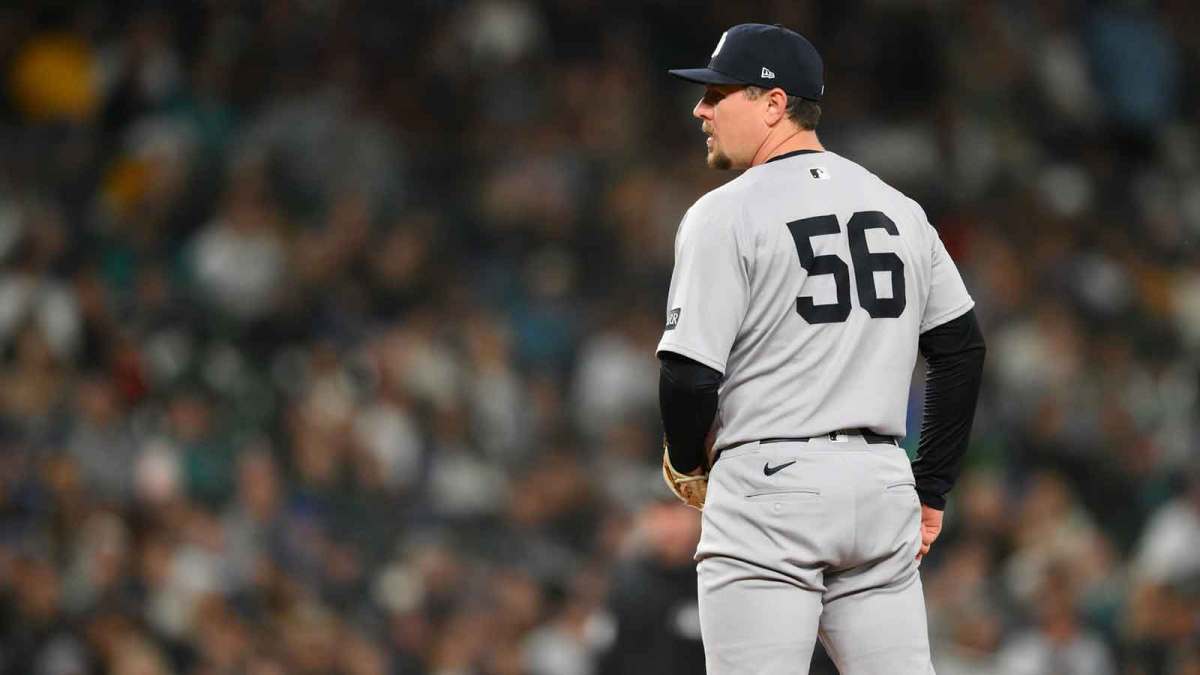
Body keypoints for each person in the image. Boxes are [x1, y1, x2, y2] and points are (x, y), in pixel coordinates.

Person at [657, 23, 986, 674]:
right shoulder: (899, 209)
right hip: (882, 484)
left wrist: (688, 463)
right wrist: (932, 487)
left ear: (773, 103)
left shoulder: (725, 213)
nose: (701, 109)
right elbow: (962, 348)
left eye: (719, 93)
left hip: (771, 486)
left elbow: (689, 376)